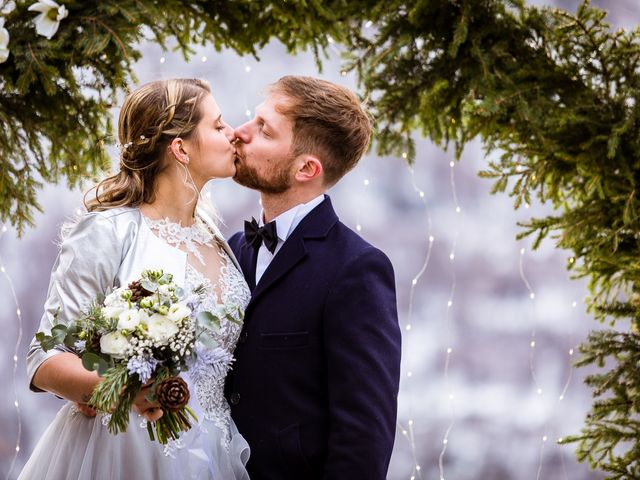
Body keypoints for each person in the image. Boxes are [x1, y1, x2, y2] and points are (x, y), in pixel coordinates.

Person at [19, 78, 250, 480]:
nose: (233, 133)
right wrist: (125, 392)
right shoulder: (109, 231)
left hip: (214, 450)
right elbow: (45, 359)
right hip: (124, 449)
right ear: (180, 148)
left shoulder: (216, 237)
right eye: (217, 125)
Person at [225, 75, 402, 479]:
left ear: (307, 168)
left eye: (263, 130)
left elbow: (364, 437)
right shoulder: (234, 248)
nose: (240, 133)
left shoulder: (357, 269)